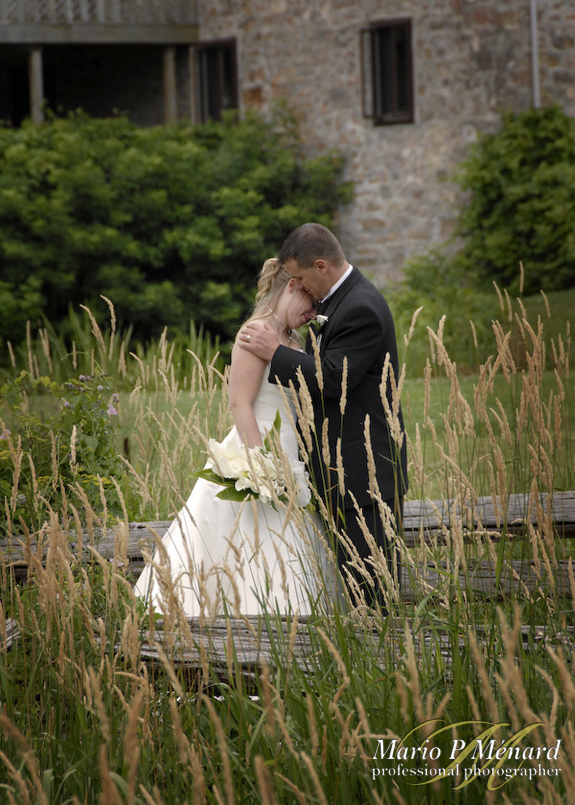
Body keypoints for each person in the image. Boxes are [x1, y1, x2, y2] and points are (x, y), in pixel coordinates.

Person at [134, 258, 327, 617]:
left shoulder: (293, 340)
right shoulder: (253, 333)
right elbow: (240, 405)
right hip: (258, 450)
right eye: (311, 303)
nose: (313, 313)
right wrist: (262, 467)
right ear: (292, 286)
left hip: (292, 455)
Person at [240, 223, 408, 608]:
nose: (299, 289)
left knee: (374, 596)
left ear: (321, 266)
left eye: (299, 277)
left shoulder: (360, 307)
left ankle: (383, 660)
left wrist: (274, 352)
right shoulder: (342, 302)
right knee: (354, 588)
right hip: (342, 472)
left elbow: (335, 378)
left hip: (365, 475)